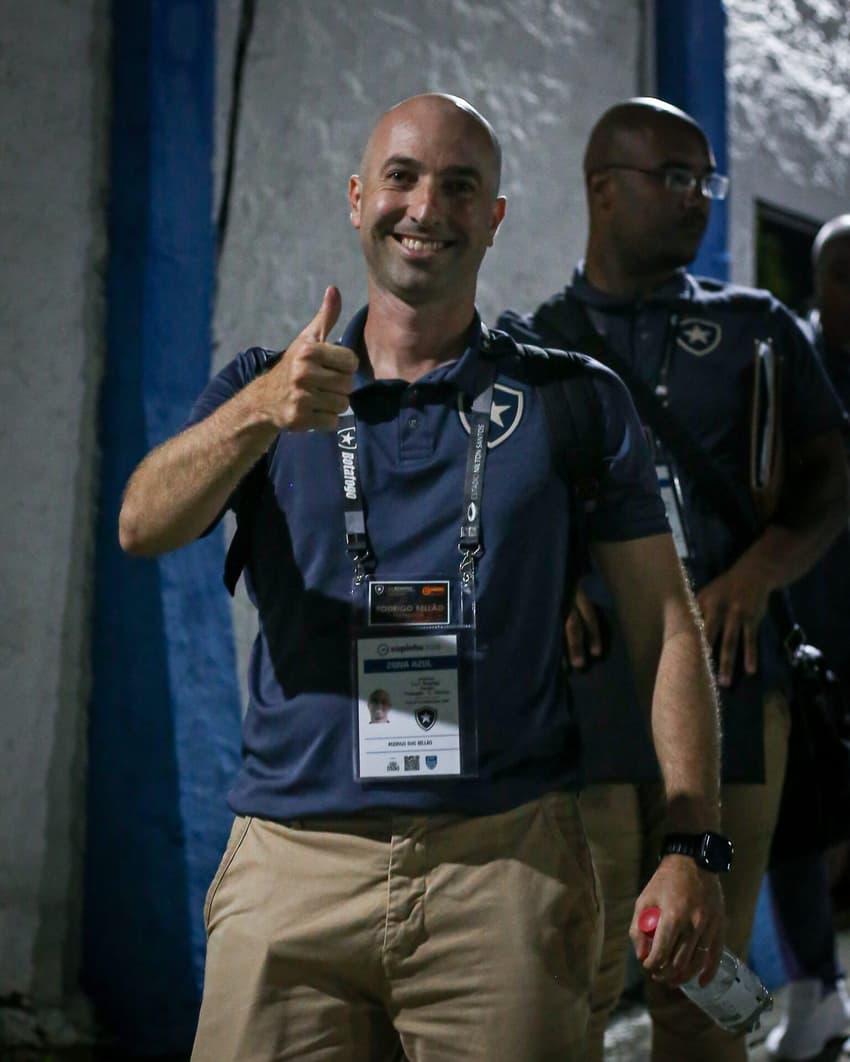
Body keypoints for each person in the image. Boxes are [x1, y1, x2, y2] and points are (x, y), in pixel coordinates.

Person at [119, 93, 726, 1062]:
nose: (426, 207)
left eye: (460, 186)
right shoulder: (270, 388)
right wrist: (258, 412)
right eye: (400, 177)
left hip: (504, 867)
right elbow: (142, 523)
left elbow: (667, 627)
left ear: (494, 218)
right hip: (292, 868)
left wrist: (692, 843)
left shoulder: (572, 400)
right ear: (358, 197)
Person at [497, 99, 850, 1062]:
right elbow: (496, 507)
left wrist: (759, 573)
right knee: (573, 969)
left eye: (706, 180)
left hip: (735, 692)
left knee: (708, 978)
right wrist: (551, 582)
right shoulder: (534, 346)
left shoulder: (757, 328)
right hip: (587, 704)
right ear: (603, 189)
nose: (698, 198)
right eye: (675, 177)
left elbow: (831, 482)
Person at [765, 214, 850, 1060]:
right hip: (808, 631)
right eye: (843, 273)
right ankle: (814, 989)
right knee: (795, 824)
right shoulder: (784, 365)